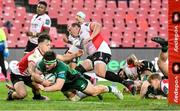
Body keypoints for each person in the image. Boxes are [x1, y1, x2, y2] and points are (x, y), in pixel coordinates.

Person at [7, 34, 83, 100]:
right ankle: (11, 94)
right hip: (18, 75)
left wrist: (75, 55)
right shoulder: (34, 56)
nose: (49, 46)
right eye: (47, 45)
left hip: (28, 75)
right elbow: (31, 71)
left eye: (49, 45)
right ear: (40, 44)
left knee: (39, 84)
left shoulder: (47, 54)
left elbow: (62, 58)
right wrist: (42, 81)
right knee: (22, 95)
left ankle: (37, 97)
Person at [69, 22, 136, 95]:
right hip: (93, 55)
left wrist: (91, 37)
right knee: (77, 71)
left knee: (100, 73)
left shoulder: (84, 26)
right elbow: (72, 51)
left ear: (76, 28)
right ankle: (91, 81)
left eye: (70, 30)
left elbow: (98, 25)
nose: (69, 32)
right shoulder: (76, 39)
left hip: (101, 50)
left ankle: (126, 83)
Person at [37, 51, 123, 100]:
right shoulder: (42, 63)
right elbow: (36, 75)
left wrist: (45, 89)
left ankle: (112, 89)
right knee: (75, 99)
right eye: (45, 64)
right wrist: (40, 82)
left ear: (54, 62)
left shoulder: (61, 67)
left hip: (75, 79)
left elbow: (58, 86)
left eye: (49, 64)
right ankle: (87, 92)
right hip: (65, 83)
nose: (47, 66)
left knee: (93, 92)